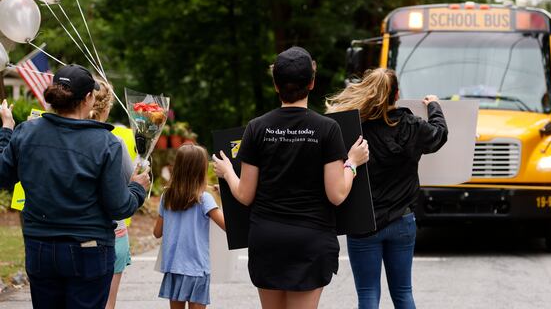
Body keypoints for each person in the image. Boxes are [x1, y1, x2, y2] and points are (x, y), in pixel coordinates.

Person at [212, 46, 369, 309]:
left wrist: (228, 172)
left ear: (276, 85)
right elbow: (337, 194)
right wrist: (352, 163)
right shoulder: (327, 129)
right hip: (311, 241)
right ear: (312, 83)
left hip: (267, 240)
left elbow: (245, 194)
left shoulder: (257, 128)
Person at [0, 64, 150, 309]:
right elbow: (119, 207)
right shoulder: (106, 144)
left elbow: (3, 177)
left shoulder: (25, 133)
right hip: (88, 251)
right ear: (89, 98)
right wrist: (137, 188)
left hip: (41, 250)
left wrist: (6, 131)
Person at [326, 68, 448, 309]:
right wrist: (434, 105)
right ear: (397, 95)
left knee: (368, 294)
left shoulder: (354, 129)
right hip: (403, 221)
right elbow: (440, 135)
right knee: (403, 293)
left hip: (364, 223)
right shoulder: (412, 126)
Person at [153, 144, 226, 309]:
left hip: (173, 268)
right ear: (201, 171)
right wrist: (226, 198)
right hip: (196, 270)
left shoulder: (167, 196)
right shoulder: (204, 199)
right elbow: (227, 227)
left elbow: (157, 233)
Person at [88, 79, 135, 309]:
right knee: (107, 302)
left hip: (72, 232)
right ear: (106, 107)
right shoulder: (115, 141)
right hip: (112, 230)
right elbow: (131, 182)